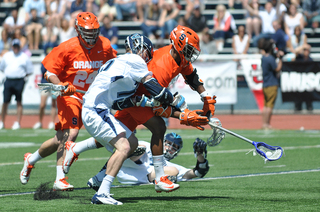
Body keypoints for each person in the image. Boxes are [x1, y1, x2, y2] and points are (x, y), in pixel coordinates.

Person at [62, 25, 212, 194]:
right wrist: (182, 115)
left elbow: (191, 76)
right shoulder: (161, 66)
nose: (191, 54)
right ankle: (160, 177)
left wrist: (205, 96)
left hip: (139, 98)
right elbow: (157, 104)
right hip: (136, 99)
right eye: (188, 49)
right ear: (178, 45)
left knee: (118, 136)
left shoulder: (180, 57)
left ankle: (86, 161)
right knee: (159, 127)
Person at [69, 33, 178, 205]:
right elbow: (156, 89)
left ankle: (77, 152)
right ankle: (102, 192)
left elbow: (120, 104)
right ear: (140, 49)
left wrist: (143, 101)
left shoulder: (120, 63)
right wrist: (174, 101)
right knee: (124, 146)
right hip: (96, 110)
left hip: (95, 108)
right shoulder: (135, 61)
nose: (146, 59)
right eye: (146, 54)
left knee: (132, 142)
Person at [19, 12, 117, 191]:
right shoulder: (67, 47)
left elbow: (114, 65)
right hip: (70, 96)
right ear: (78, 30)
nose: (91, 36)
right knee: (70, 134)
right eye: (87, 32)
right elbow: (48, 72)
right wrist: (62, 84)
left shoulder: (105, 45)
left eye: (94, 31)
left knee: (60, 140)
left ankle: (31, 159)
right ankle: (60, 178)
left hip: (92, 97)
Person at [87, 134, 210, 190]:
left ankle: (159, 180)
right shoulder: (149, 146)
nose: (169, 148)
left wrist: (200, 156)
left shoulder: (170, 165)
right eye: (168, 144)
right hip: (125, 167)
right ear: (163, 142)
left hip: (141, 177)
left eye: (174, 147)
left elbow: (198, 173)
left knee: (174, 171)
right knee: (139, 148)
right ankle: (102, 174)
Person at [0, 39, 33, 130]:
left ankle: (18, 122)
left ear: (20, 47)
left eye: (17, 46)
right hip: (9, 80)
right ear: (12, 47)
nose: (16, 48)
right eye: (14, 46)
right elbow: (2, 67)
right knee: (5, 102)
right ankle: (2, 121)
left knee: (19, 101)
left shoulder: (24, 57)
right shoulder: (7, 56)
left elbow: (29, 70)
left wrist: (22, 77)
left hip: (19, 80)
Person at [258, 38, 284, 130]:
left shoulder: (264, 58)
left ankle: (264, 123)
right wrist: (280, 59)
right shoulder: (270, 59)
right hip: (272, 84)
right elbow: (277, 69)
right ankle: (267, 124)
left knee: (265, 105)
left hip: (265, 84)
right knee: (270, 105)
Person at [33, 64, 57, 130]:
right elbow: (43, 71)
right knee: (42, 105)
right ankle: (40, 122)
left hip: (54, 84)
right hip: (44, 84)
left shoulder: (57, 59)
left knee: (53, 104)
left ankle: (52, 122)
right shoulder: (45, 61)